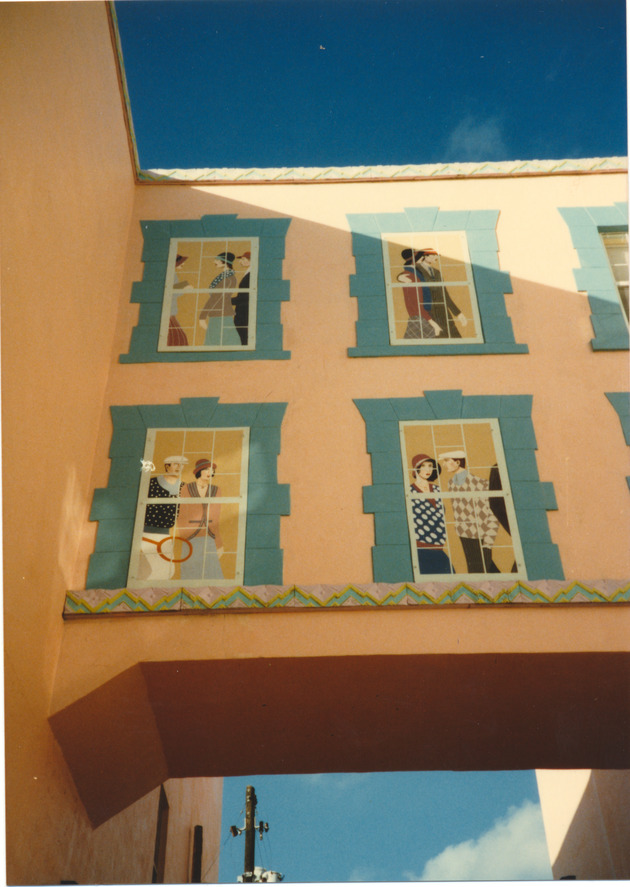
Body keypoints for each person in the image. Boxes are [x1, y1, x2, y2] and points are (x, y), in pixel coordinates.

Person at [439, 450, 500, 574]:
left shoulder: (479, 483)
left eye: (447, 461)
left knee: (478, 571)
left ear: (457, 462)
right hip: (464, 534)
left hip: (480, 534)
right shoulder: (451, 484)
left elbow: (493, 513)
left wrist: (488, 542)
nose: (444, 464)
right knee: (482, 569)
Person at [401, 248, 468, 339]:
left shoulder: (437, 272)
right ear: (424, 256)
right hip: (429, 315)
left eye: (436, 255)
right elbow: (406, 274)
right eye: (432, 255)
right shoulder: (416, 270)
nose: (435, 257)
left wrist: (458, 313)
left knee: (456, 340)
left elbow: (445, 294)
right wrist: (399, 277)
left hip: (444, 314)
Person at [140, 456, 188, 580]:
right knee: (153, 570)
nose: (178, 467)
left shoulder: (184, 487)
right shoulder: (152, 483)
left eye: (181, 465)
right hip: (147, 532)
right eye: (175, 464)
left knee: (168, 570)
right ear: (167, 466)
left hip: (166, 534)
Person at [176, 458, 224, 581]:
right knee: (190, 572)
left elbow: (216, 517)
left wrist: (218, 542)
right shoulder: (186, 488)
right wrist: (185, 536)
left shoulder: (216, 490)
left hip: (209, 536)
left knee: (212, 573)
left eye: (212, 470)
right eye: (207, 469)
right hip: (190, 537)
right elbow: (181, 515)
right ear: (199, 471)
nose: (210, 472)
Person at [409, 453, 454, 574]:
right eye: (423, 466)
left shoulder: (437, 490)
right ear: (416, 468)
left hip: (438, 546)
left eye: (430, 465)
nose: (427, 469)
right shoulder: (410, 491)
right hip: (420, 547)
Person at [198, 252, 241, 347]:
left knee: (218, 341)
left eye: (217, 260)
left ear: (224, 262)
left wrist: (202, 316)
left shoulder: (228, 279)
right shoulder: (224, 276)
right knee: (217, 340)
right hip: (218, 313)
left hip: (221, 314)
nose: (214, 261)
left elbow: (215, 297)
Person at [397, 271, 442, 339]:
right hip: (420, 317)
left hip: (422, 316)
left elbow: (416, 305)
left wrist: (433, 323)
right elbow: (415, 305)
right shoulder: (411, 279)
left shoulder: (413, 280)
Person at [167, 254, 190, 347]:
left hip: (171, 311)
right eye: (181, 262)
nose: (183, 264)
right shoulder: (171, 274)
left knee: (179, 338)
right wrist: (184, 288)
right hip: (169, 312)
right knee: (178, 339)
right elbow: (170, 291)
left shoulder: (173, 274)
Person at [232, 252, 251, 346]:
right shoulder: (248, 273)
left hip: (244, 312)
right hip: (241, 311)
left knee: (244, 339)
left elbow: (245, 296)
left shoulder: (251, 274)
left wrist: (228, 301)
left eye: (243, 259)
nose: (240, 261)